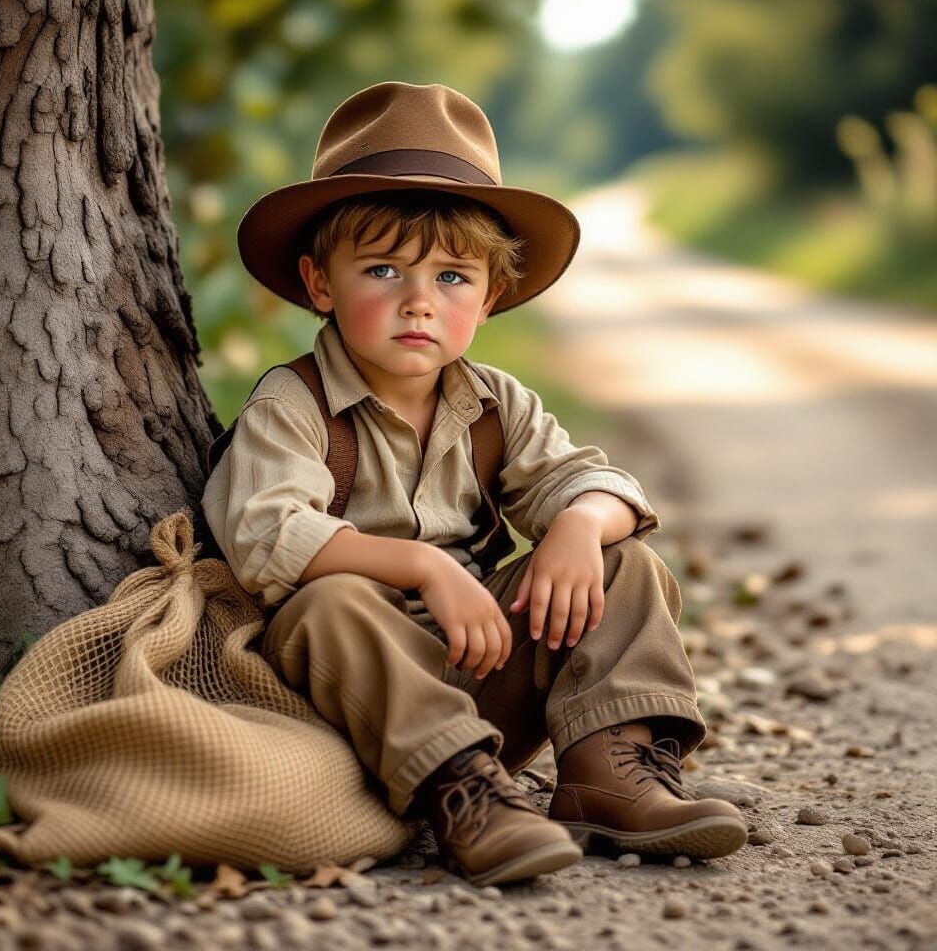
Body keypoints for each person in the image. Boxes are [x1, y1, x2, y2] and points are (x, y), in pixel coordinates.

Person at [201, 81, 747, 886]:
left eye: (452, 278)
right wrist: (423, 568)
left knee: (625, 558)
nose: (418, 303)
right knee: (329, 601)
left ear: (491, 296)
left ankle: (608, 772)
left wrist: (574, 527)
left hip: (476, 667)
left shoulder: (495, 404)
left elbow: (594, 481)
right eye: (383, 270)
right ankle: (462, 795)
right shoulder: (295, 403)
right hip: (352, 693)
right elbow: (265, 535)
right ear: (321, 285)